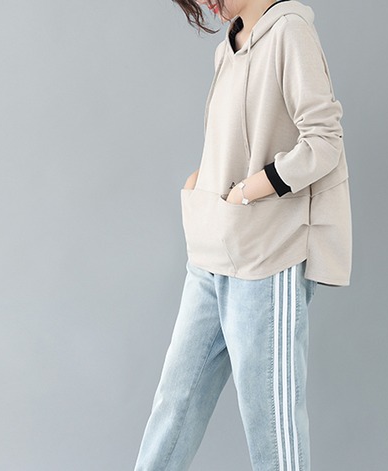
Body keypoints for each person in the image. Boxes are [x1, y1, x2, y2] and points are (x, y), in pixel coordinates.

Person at [133, 0, 352, 469]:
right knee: (174, 406)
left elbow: (324, 140)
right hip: (211, 252)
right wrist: (202, 182)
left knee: (272, 429)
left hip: (266, 256)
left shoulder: (290, 32)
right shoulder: (225, 50)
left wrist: (250, 190)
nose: (206, 3)